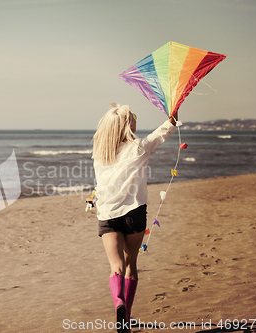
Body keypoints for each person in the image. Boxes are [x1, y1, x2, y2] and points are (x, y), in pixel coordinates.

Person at [92, 102, 177, 332]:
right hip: (134, 213)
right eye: (133, 116)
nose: (135, 119)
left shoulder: (100, 153)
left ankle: (118, 301)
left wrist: (92, 199)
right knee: (131, 263)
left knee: (116, 266)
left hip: (108, 214)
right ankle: (125, 319)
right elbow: (160, 135)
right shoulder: (138, 147)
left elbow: (100, 184)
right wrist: (172, 118)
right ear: (126, 125)